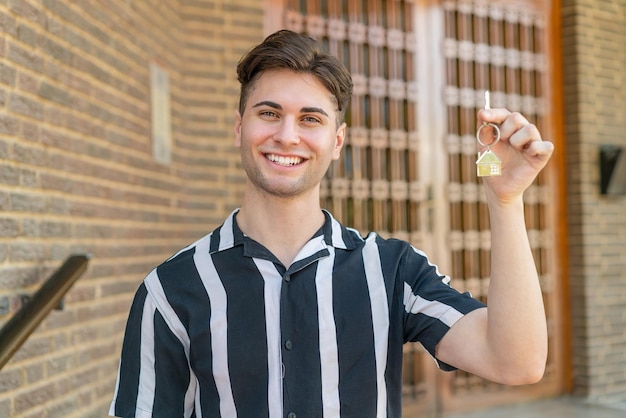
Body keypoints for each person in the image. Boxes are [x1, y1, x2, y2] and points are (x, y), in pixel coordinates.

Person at [109, 29, 553, 418]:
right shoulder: (170, 290)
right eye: (268, 113)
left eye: (310, 119)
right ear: (239, 128)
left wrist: (506, 200)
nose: (287, 135)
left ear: (336, 141)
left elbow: (516, 362)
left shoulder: (392, 271)